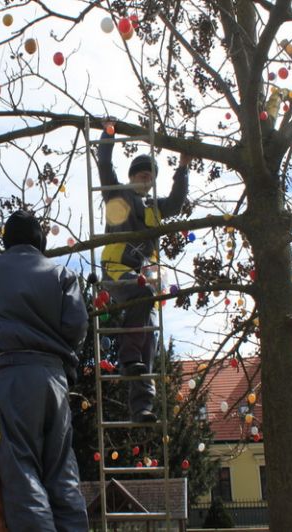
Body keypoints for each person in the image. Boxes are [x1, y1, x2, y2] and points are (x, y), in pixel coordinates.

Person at [0, 210, 89, 532]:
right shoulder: (63, 274)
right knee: (62, 470)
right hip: (55, 378)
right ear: (40, 242)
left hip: (13, 376)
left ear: (6, 241)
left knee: (22, 469)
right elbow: (77, 326)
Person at [97, 121, 192, 423]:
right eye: (142, 174)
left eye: (150, 177)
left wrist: (183, 169)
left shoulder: (154, 207)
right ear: (132, 176)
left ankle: (142, 406)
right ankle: (127, 357)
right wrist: (108, 135)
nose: (146, 180)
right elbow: (104, 165)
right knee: (143, 292)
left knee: (149, 334)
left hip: (143, 276)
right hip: (116, 268)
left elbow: (176, 203)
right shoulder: (117, 194)